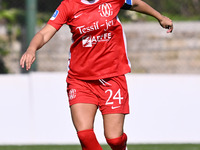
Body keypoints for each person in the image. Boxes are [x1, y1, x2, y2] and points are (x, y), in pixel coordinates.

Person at [20, 0, 173, 149]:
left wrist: (160, 17)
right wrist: (31, 49)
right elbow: (45, 32)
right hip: (80, 79)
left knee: (114, 139)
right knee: (85, 135)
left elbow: (136, 3)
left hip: (112, 77)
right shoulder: (69, 5)